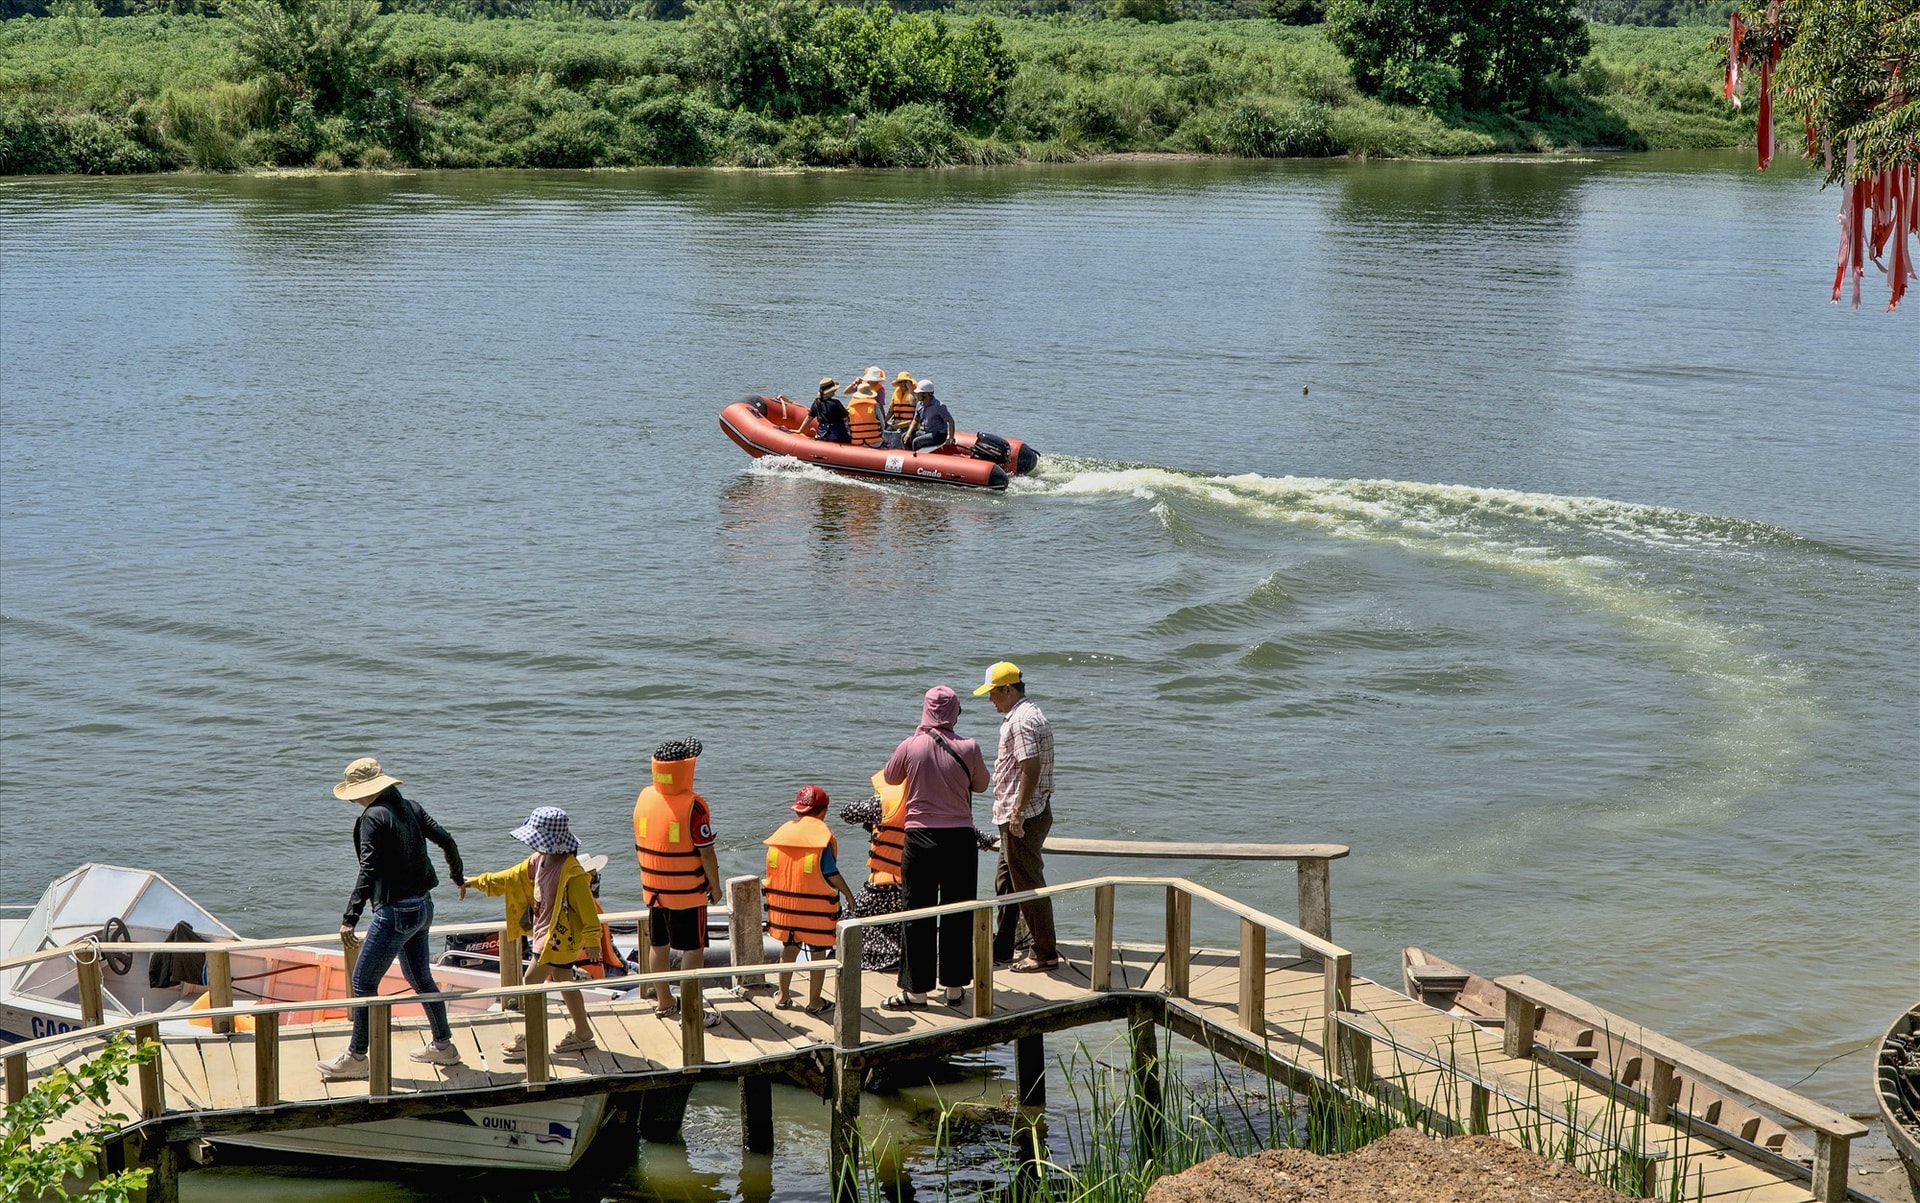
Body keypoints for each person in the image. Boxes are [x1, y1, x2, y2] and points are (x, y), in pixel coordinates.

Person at [320, 757, 465, 1081]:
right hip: (423, 907)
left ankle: (357, 1057)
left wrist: (350, 917)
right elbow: (447, 840)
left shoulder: (372, 818)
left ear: (362, 790)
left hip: (396, 912)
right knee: (421, 978)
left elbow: (368, 870)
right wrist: (457, 876)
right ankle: (444, 1046)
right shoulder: (411, 807)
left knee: (363, 982)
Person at [880, 686, 989, 1010]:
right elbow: (981, 785)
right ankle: (954, 988)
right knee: (957, 911)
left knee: (917, 912)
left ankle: (916, 992)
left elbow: (889, 776)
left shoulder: (911, 745)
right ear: (955, 713)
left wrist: (918, 737)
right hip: (959, 839)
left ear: (925, 711)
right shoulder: (969, 747)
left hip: (920, 839)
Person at [462, 807, 600, 1061]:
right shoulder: (540, 860)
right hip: (545, 935)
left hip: (557, 940)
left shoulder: (572, 872)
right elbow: (511, 878)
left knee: (531, 982)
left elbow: (588, 910)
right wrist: (476, 882)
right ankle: (583, 1032)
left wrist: (593, 940)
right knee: (565, 981)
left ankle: (531, 1039)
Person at [975, 661, 1060, 973]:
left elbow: (1031, 766)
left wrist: (1018, 813)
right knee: (1006, 882)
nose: (990, 700)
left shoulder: (1020, 722)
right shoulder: (1029, 713)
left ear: (1007, 689)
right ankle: (1003, 947)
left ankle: (1044, 952)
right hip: (1024, 811)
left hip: (1024, 814)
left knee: (1027, 884)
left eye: (993, 694)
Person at [633, 737, 723, 1027]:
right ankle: (693, 1011)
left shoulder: (645, 796)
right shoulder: (693, 808)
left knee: (658, 945)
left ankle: (665, 1002)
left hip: (655, 890)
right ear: (687, 768)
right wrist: (716, 886)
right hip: (688, 894)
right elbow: (706, 853)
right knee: (692, 949)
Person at [763, 785, 856, 1014]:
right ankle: (815, 1002)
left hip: (785, 910)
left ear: (797, 810)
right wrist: (848, 894)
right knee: (817, 953)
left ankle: (783, 996)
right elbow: (830, 874)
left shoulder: (781, 834)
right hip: (815, 912)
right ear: (823, 812)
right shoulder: (822, 838)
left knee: (789, 949)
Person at [903, 380, 952, 452]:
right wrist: (908, 433)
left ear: (926, 394)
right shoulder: (919, 404)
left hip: (938, 435)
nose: (916, 395)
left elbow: (951, 421)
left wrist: (950, 438)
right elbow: (916, 419)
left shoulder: (939, 406)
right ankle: (909, 456)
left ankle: (916, 458)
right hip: (925, 431)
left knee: (917, 442)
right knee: (904, 436)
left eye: (919, 393)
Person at [806, 377, 851, 444]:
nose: (834, 393)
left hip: (822, 433)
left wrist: (800, 430)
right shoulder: (836, 403)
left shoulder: (816, 402)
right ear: (828, 392)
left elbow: (809, 417)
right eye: (833, 391)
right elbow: (845, 418)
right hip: (836, 434)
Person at [844, 380, 884, 448]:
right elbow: (882, 424)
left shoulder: (851, 407)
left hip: (857, 442)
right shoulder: (874, 406)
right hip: (874, 443)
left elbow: (847, 425)